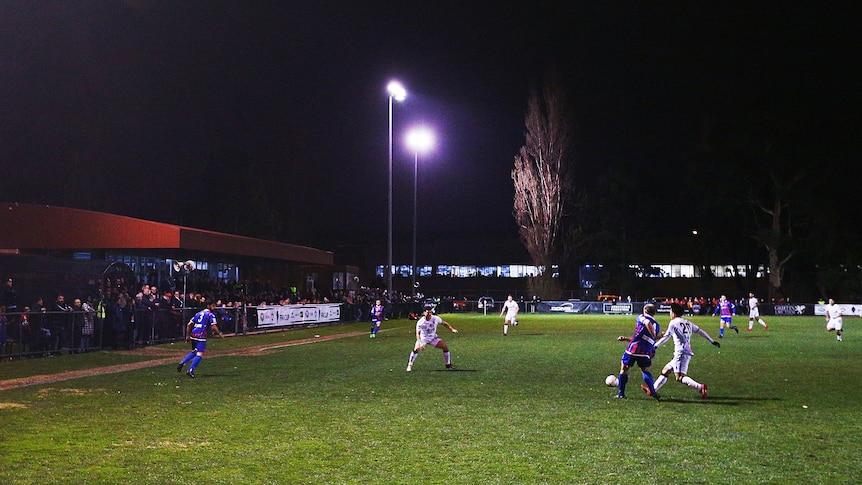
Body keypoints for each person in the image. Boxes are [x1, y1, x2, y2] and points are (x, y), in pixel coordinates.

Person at [646, 302, 720, 399]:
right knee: (666, 370)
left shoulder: (673, 323)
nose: (669, 313)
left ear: (674, 313)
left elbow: (667, 336)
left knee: (679, 377)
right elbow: (700, 331)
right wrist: (711, 341)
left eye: (670, 311)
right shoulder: (687, 322)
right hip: (685, 352)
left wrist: (655, 346)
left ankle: (700, 387)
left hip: (680, 353)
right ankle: (652, 390)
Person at [614, 303, 661, 400]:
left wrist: (655, 336)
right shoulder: (657, 326)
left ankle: (621, 394)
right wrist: (626, 338)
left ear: (645, 311)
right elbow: (643, 338)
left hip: (633, 349)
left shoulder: (641, 317)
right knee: (644, 369)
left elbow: (647, 323)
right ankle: (652, 390)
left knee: (624, 369)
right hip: (646, 351)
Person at [176, 301, 224, 378]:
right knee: (200, 353)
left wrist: (187, 335)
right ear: (208, 306)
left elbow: (189, 324)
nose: (214, 308)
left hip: (193, 333)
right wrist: (219, 333)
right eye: (213, 306)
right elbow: (213, 326)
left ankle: (182, 362)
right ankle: (190, 370)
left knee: (194, 351)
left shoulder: (198, 313)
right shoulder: (210, 315)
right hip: (201, 335)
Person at [406, 306, 458, 372]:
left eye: (430, 312)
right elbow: (418, 334)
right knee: (416, 349)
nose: (429, 314)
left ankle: (448, 364)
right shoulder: (420, 322)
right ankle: (409, 365)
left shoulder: (435, 318)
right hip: (423, 338)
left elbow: (444, 323)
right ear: (424, 313)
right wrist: (420, 343)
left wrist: (452, 329)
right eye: (428, 312)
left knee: (445, 347)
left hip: (433, 338)